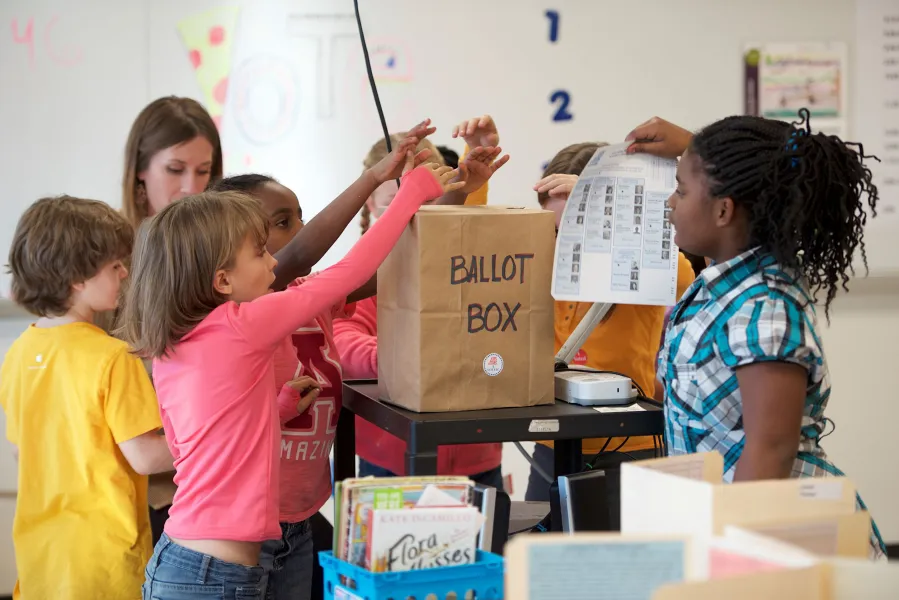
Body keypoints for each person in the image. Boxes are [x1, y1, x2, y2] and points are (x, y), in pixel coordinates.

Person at [119, 152, 461, 598]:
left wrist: (274, 411)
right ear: (222, 280)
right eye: (259, 253)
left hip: (189, 562)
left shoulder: (180, 340)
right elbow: (349, 272)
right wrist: (411, 193)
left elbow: (198, 440)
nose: (275, 262)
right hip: (212, 575)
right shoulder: (238, 325)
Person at [626, 112, 886, 558]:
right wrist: (694, 152)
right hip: (737, 525)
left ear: (725, 209)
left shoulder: (762, 307)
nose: (669, 202)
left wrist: (733, 558)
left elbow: (771, 449)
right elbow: (753, 184)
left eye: (681, 191)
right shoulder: (722, 286)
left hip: (778, 539)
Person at [1, 197, 174, 598]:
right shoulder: (112, 356)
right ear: (77, 276)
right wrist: (214, 438)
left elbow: (19, 451)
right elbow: (146, 457)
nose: (125, 272)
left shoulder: (19, 353)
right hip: (105, 562)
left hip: (41, 557)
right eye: (115, 266)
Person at [335, 115, 510, 487]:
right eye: (396, 201)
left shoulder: (464, 260)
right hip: (390, 456)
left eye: (423, 198)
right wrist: (409, 359)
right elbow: (341, 337)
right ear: (370, 201)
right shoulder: (362, 270)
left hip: (474, 452)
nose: (409, 214)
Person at [527, 142, 695, 501]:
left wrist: (612, 207)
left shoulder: (646, 269)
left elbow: (679, 275)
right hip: (550, 442)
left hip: (629, 445)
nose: (564, 245)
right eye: (556, 231)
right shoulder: (542, 266)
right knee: (541, 553)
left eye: (578, 228)